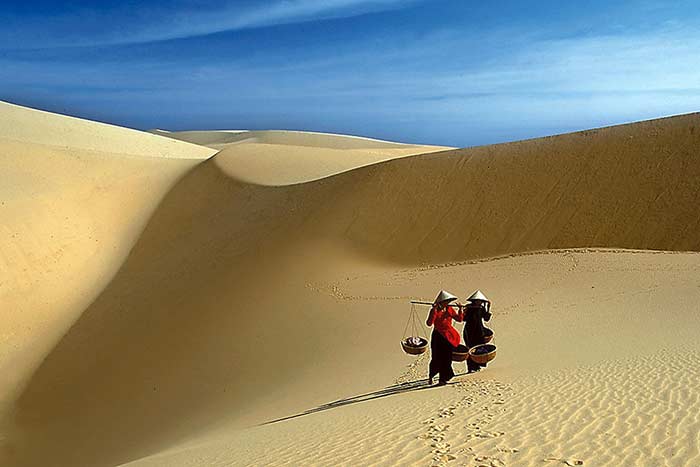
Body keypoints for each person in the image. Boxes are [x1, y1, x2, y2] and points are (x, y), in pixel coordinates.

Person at [426, 290, 462, 386]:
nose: (447, 303)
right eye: (446, 301)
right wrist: (434, 311)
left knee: (447, 357)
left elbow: (459, 319)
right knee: (436, 357)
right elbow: (429, 323)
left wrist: (460, 310)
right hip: (438, 336)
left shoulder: (449, 309)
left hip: (448, 336)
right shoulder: (435, 310)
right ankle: (431, 375)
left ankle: (443, 378)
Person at [461, 290, 492, 373]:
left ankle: (477, 366)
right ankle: (470, 367)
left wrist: (488, 308)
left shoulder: (481, 308)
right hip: (469, 331)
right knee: (470, 348)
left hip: (479, 330)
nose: (480, 302)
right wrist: (463, 310)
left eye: (481, 301)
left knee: (479, 348)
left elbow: (486, 318)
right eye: (479, 301)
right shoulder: (468, 308)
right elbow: (463, 319)